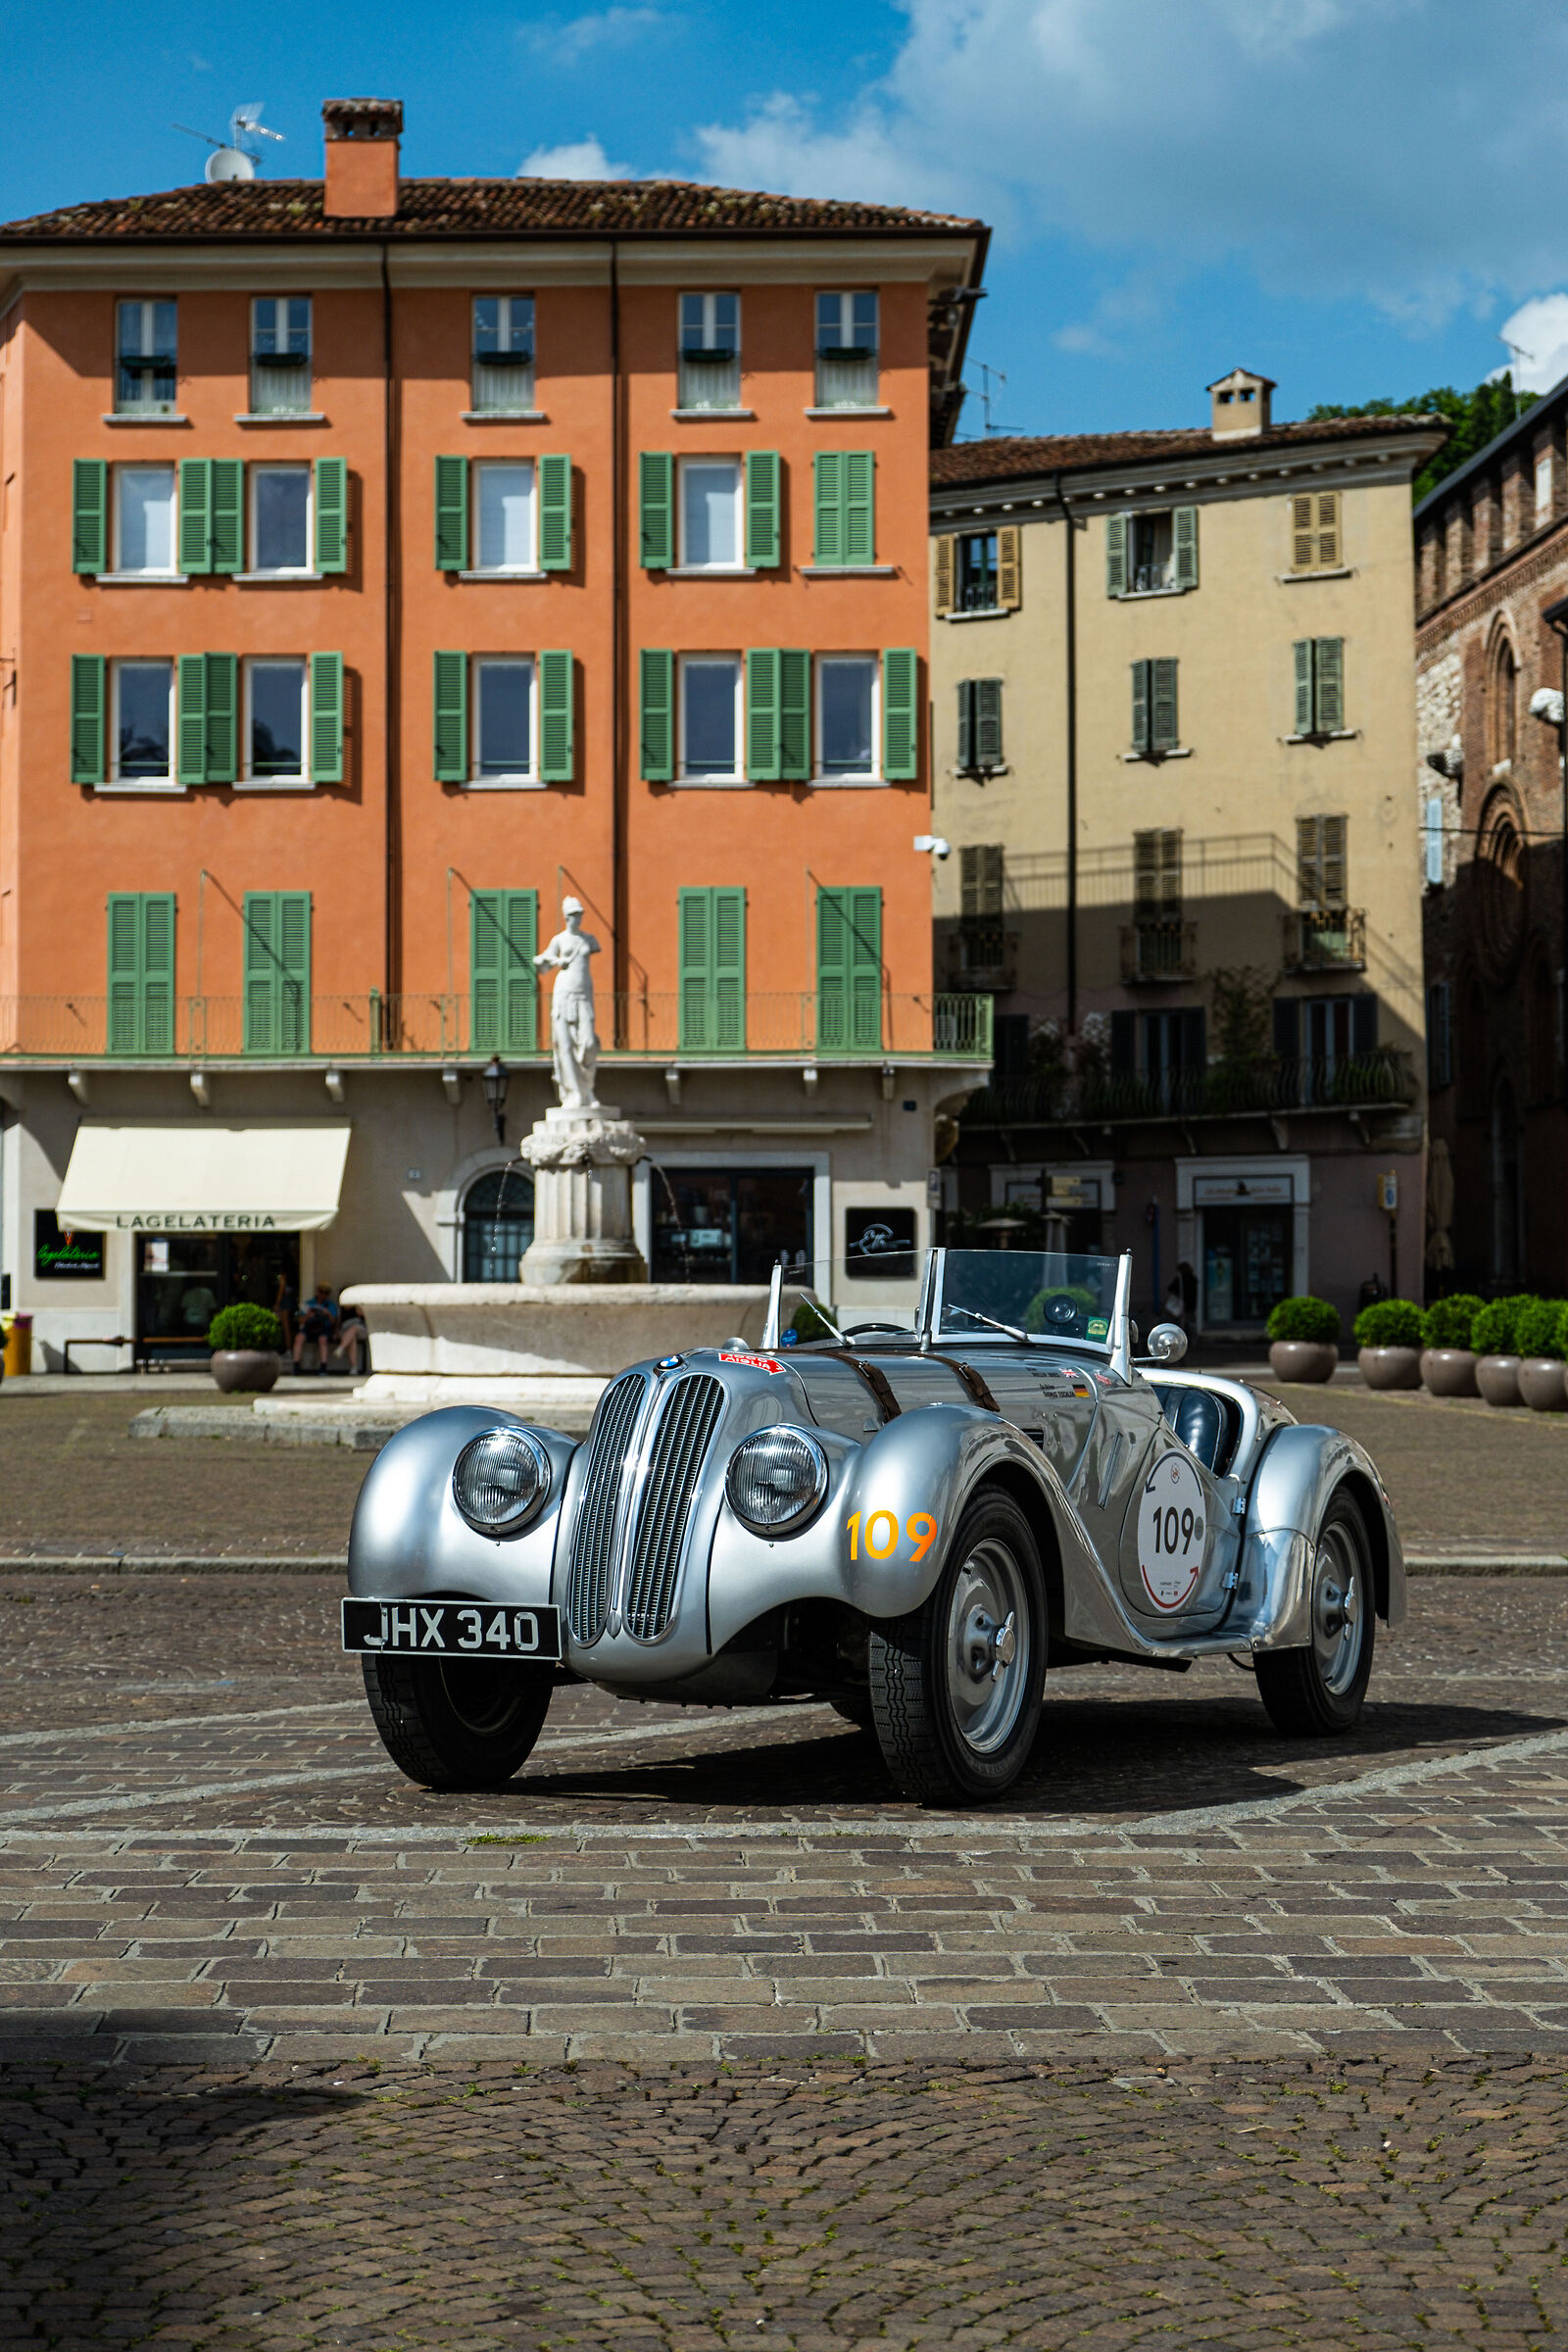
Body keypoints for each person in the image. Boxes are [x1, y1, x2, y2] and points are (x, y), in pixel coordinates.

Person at [292, 1284, 339, 1372]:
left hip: (323, 1328)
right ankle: (296, 1366)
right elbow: (300, 1320)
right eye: (321, 1292)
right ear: (317, 1291)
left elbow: (334, 1322)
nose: (323, 1294)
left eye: (326, 1293)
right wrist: (308, 1315)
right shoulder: (308, 1303)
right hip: (309, 1328)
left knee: (323, 1339)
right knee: (299, 1338)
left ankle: (323, 1366)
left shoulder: (330, 1305)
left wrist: (327, 1313)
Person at [335, 1294, 368, 1377]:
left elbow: (361, 1314)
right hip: (345, 1332)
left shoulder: (357, 1307)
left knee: (354, 1328)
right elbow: (338, 1323)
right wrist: (336, 1332)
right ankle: (354, 1367)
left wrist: (356, 1305)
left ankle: (341, 1347)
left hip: (360, 1330)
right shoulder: (340, 1310)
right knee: (352, 1338)